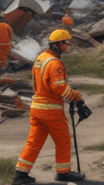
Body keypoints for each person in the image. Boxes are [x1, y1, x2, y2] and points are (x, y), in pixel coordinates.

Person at [12, 30, 91, 184]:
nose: (68, 45)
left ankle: (20, 175)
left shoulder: (41, 59)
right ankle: (63, 173)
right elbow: (59, 87)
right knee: (63, 141)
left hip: (37, 108)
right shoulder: (55, 63)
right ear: (58, 44)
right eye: (66, 43)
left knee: (33, 143)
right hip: (51, 110)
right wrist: (76, 96)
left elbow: (42, 84)